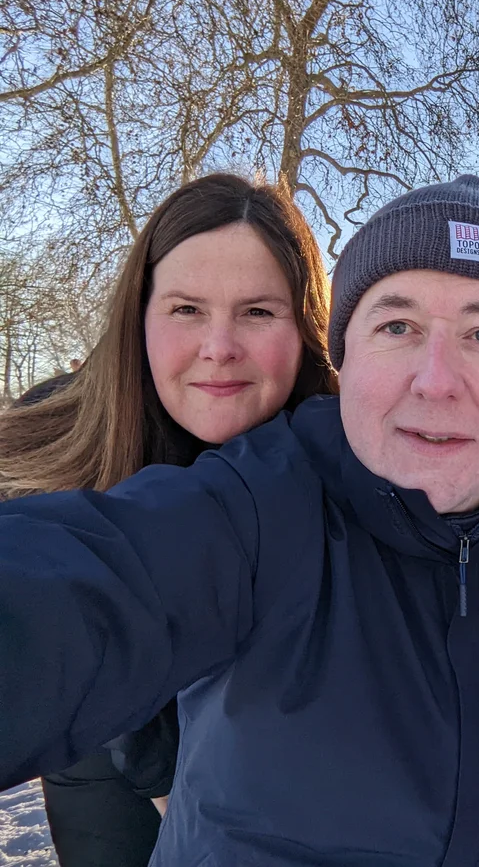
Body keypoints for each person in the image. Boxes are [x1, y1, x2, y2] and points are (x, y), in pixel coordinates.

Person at [0, 175, 479, 866]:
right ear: (346, 355)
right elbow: (90, 588)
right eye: (397, 326)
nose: (435, 379)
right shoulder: (263, 504)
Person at [0, 172, 337, 867]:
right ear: (141, 315)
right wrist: (157, 772)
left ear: (304, 329)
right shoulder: (55, 447)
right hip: (107, 771)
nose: (219, 346)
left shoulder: (342, 461)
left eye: (258, 312)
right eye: (187, 309)